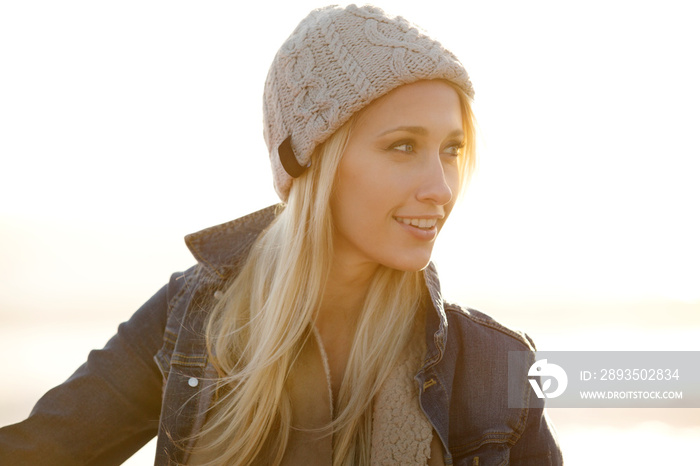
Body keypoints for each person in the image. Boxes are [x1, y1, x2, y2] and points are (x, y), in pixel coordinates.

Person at [0, 4, 562, 465]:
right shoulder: (190, 317)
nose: (440, 187)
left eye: (452, 150)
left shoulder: (497, 366)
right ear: (310, 163)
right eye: (403, 146)